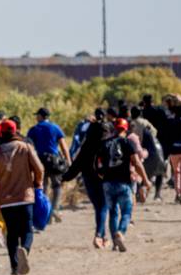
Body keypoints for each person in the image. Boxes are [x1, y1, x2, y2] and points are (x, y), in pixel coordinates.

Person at [0, 120, 43, 275]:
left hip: (6, 201)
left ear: (1, 132)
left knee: (12, 233)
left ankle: (15, 267)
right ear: (16, 131)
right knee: (27, 230)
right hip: (25, 197)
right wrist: (37, 183)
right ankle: (25, 251)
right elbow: (39, 168)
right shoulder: (26, 148)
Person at [97, 119, 152, 252]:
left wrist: (103, 178)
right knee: (126, 212)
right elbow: (137, 163)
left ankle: (115, 243)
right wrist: (145, 180)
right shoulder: (127, 143)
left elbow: (97, 165)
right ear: (126, 129)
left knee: (113, 213)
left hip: (108, 184)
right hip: (124, 184)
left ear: (113, 129)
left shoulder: (104, 144)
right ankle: (120, 233)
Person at [63, 109, 109, 249]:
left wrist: (65, 177)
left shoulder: (86, 146)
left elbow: (76, 165)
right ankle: (99, 235)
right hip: (104, 178)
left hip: (88, 179)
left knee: (98, 207)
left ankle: (102, 235)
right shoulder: (106, 145)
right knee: (103, 207)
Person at [26, 108, 70, 220]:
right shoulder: (55, 127)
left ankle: (46, 213)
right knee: (57, 185)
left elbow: (28, 146)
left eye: (37, 115)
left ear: (41, 116)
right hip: (54, 161)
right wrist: (68, 160)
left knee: (43, 186)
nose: (36, 117)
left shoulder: (34, 129)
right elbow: (63, 146)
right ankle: (54, 209)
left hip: (40, 161)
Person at [140, 95, 172, 200]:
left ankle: (142, 189)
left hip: (146, 144)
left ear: (144, 102)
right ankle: (157, 194)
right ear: (153, 101)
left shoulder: (143, 112)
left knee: (143, 167)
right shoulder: (161, 110)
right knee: (160, 168)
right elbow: (168, 123)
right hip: (161, 143)